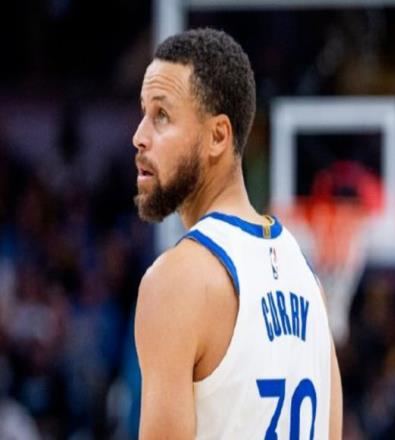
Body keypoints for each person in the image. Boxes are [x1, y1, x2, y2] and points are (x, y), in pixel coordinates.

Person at [133, 27, 342, 439]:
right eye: (143, 113)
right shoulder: (309, 283)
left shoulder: (176, 281)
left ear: (218, 137)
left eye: (162, 116)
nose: (139, 136)